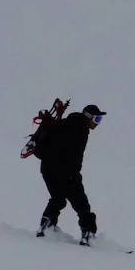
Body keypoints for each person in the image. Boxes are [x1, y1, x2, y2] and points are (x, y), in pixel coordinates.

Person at [35, 104, 106, 244]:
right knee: (82, 205)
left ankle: (45, 228)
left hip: (48, 169)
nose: (98, 123)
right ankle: (88, 235)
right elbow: (75, 155)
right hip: (66, 172)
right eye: (97, 119)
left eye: (100, 120)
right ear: (88, 117)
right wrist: (74, 175)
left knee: (58, 198)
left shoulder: (67, 123)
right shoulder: (80, 130)